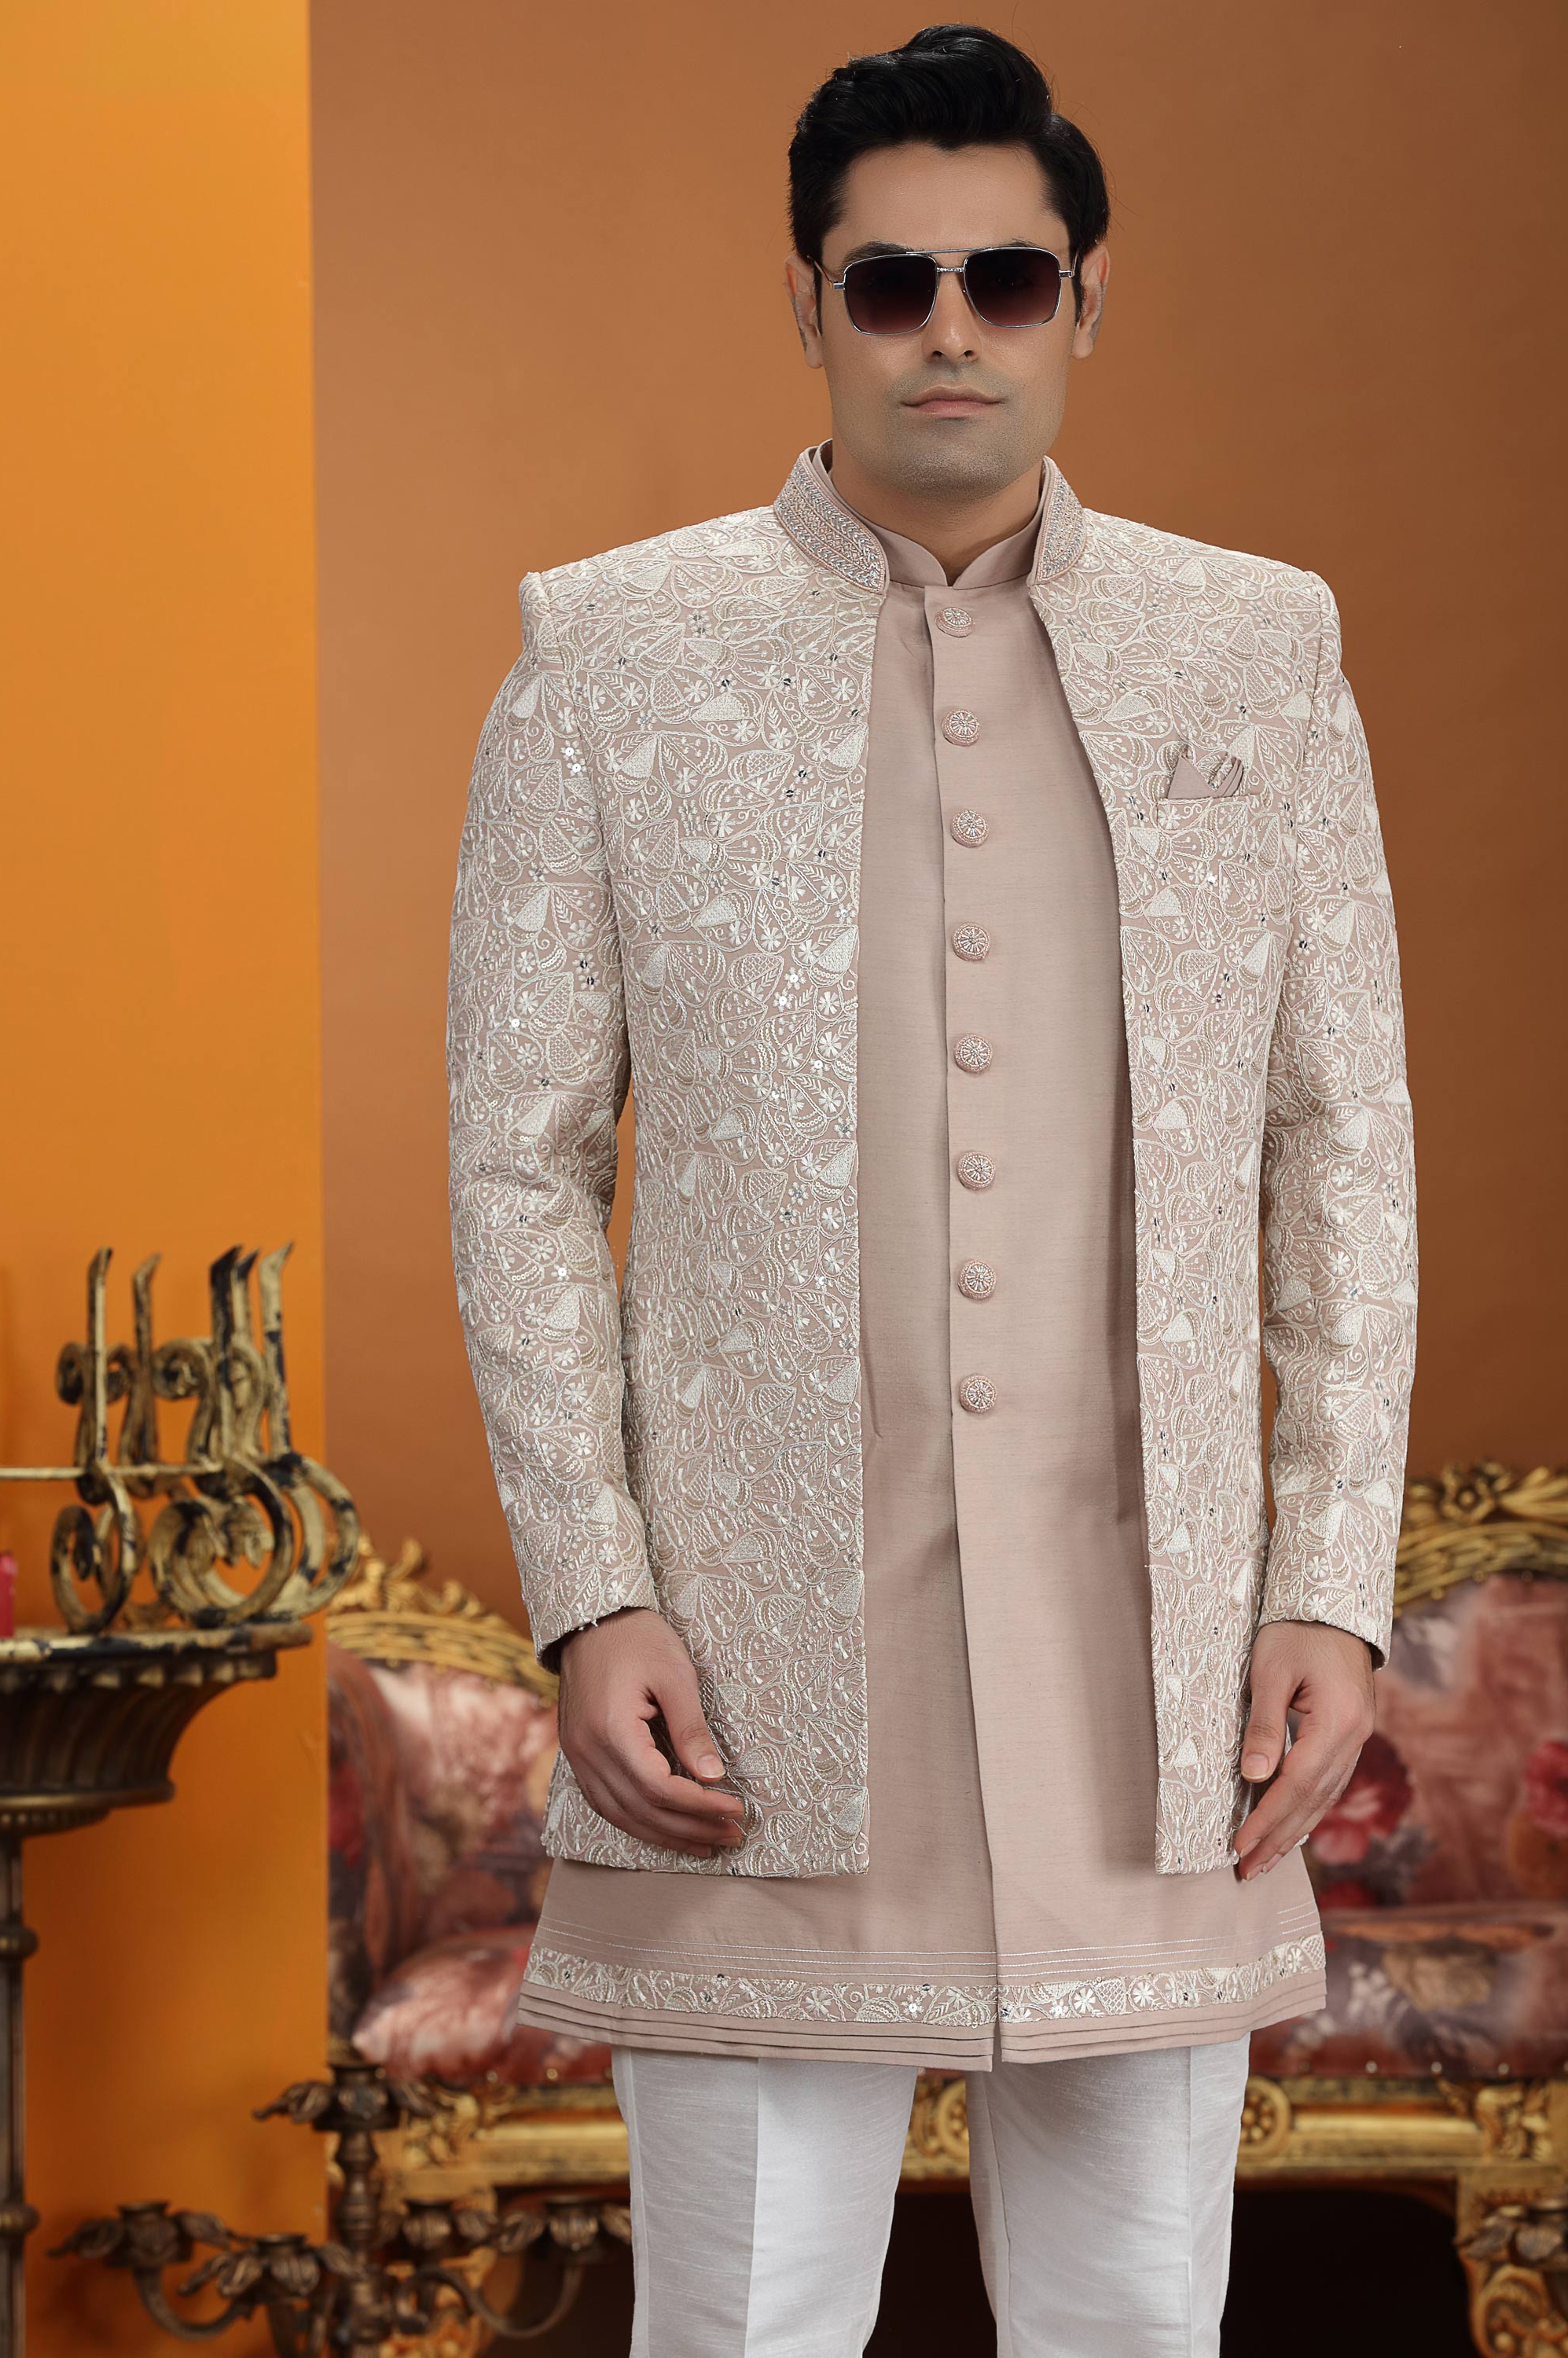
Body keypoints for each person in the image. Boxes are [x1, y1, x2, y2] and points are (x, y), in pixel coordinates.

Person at [446, 23, 1416, 2354]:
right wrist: (595, 1592)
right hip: (755, 1702)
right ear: (808, 305)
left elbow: (1344, 1148)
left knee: (1132, 2331)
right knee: (741, 2330)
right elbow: (516, 1156)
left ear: (1089, 300)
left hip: (1156, 1697)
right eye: (892, 283)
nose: (951, 330)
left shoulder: (1259, 651)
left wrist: (1328, 1585)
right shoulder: (610, 654)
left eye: (1008, 277)